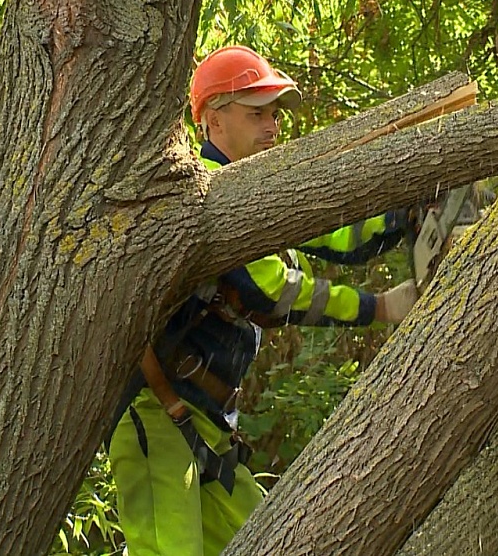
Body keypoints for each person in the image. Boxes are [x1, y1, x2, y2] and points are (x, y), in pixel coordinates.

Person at [109, 45, 420, 556]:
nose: (272, 125)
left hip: (205, 421)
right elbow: (273, 292)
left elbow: (336, 234)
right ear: (214, 121)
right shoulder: (207, 195)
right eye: (257, 114)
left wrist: (399, 216)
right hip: (158, 408)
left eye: (274, 113)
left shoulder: (263, 196)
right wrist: (379, 308)